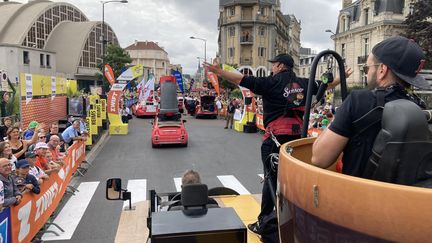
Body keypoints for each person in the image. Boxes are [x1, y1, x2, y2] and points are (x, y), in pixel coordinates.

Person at [204, 54, 351, 235]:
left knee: (271, 180)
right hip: (297, 139)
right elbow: (325, 86)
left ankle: (264, 222)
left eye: (274, 65)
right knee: (294, 179)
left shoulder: (271, 82)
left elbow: (241, 79)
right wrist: (341, 78)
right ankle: (296, 217)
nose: (272, 68)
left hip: (275, 138)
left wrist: (220, 72)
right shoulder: (304, 83)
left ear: (280, 66)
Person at [312, 36, 429, 177]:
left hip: (358, 195)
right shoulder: (420, 109)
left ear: (382, 70)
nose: (366, 73)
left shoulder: (358, 100)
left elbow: (319, 159)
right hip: (405, 196)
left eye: (367, 68)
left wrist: (339, 118)